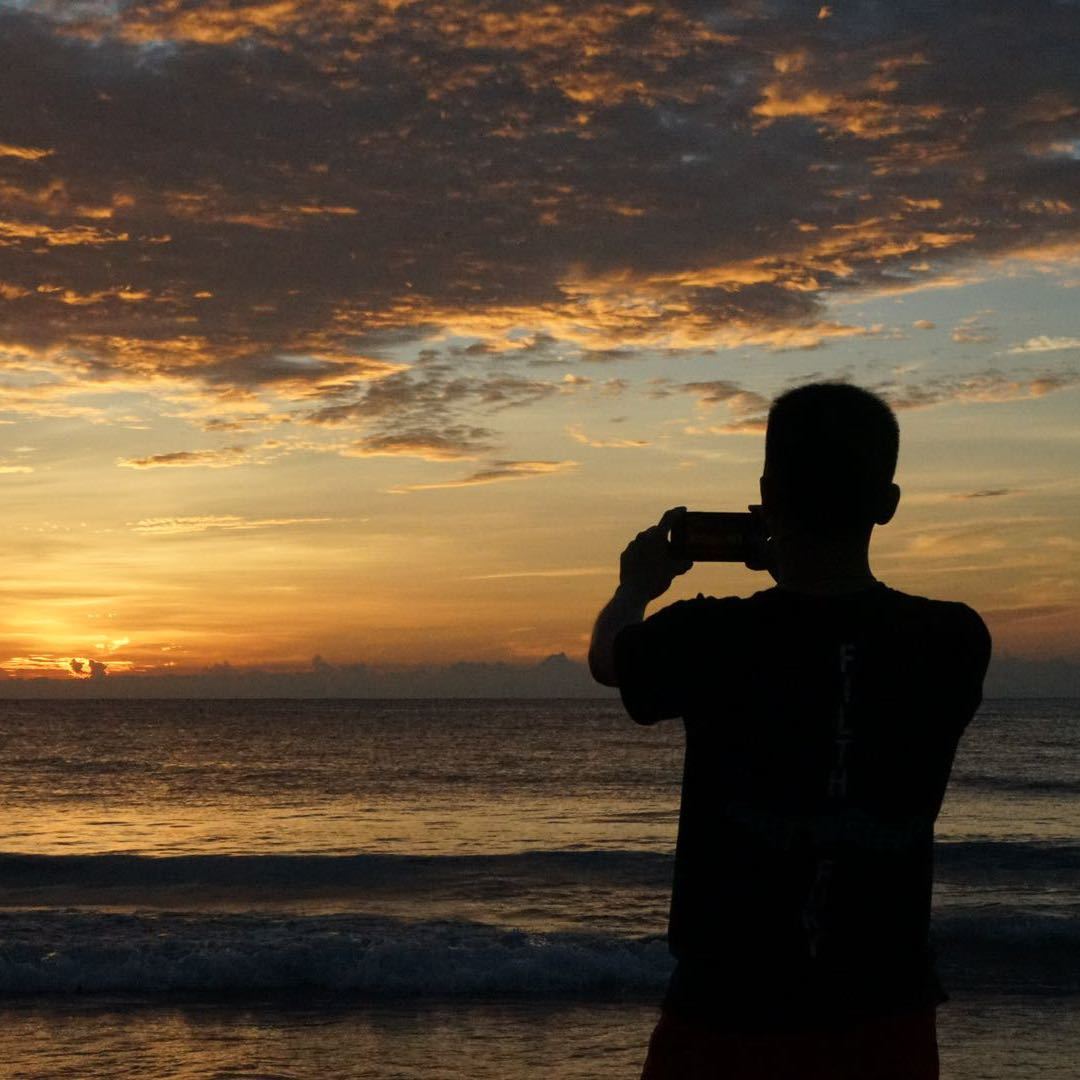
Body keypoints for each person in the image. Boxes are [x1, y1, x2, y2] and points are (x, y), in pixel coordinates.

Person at [588, 382, 991, 1080]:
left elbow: (609, 659)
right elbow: (834, 637)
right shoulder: (951, 640)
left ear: (767, 496)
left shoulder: (712, 637)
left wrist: (635, 588)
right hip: (883, 1018)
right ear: (887, 503)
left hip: (725, 1015)